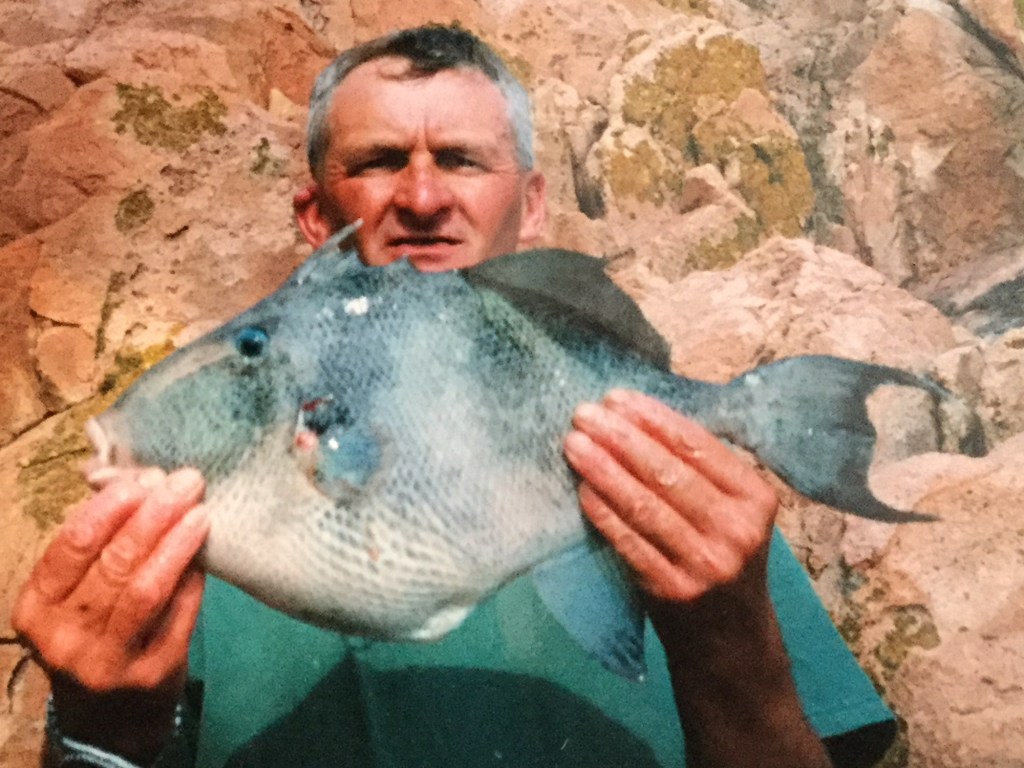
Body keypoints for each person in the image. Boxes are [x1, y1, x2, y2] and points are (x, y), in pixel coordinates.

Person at [12, 25, 895, 768]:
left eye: (463, 161)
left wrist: (734, 650)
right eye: (380, 161)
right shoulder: (187, 530)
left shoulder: (681, 495)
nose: (425, 196)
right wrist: (97, 734)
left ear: (534, 205)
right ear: (316, 217)